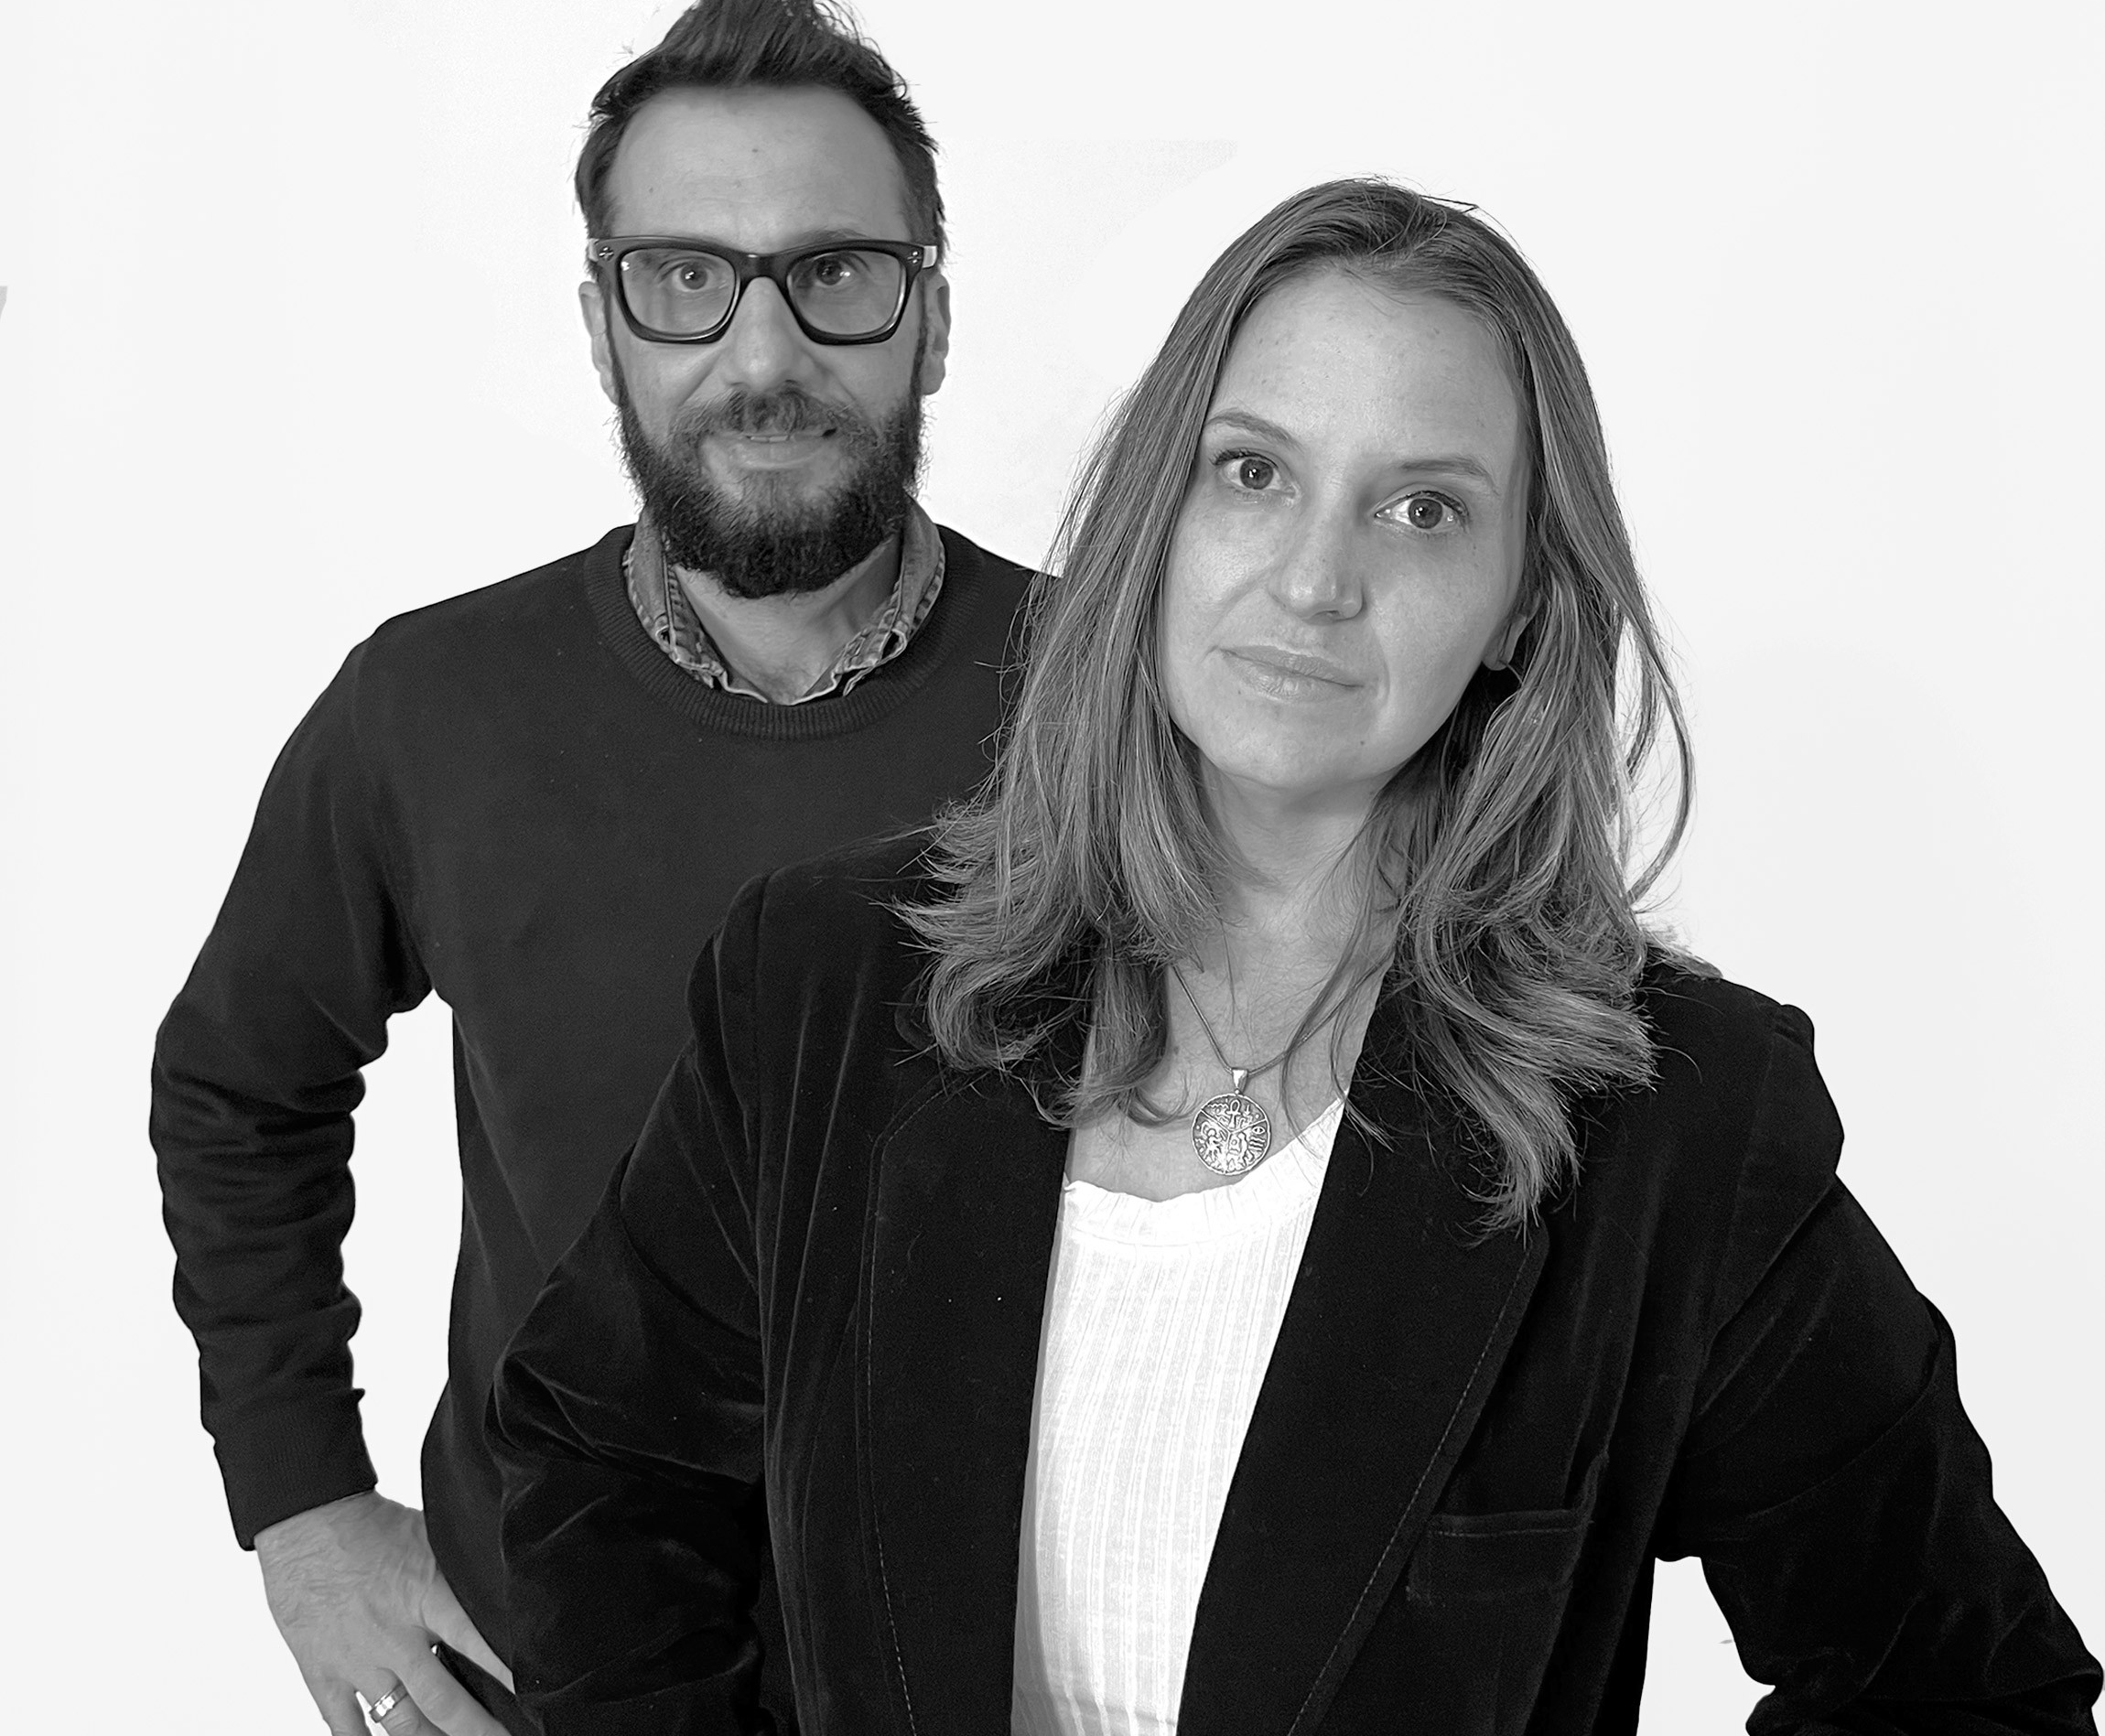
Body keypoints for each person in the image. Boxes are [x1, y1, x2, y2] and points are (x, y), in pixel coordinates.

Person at [488, 178, 2100, 1734]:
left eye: (1425, 510)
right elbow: (599, 1461)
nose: (1319, 581)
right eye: (1253, 472)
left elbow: (1969, 1696)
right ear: (1154, 519)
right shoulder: (824, 986)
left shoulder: (1679, 1124)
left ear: (1523, 608)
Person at [151, 0, 1035, 1736]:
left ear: (930, 319)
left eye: (836, 276)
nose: (762, 359)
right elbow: (238, 1085)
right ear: (601, 323)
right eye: (686, 282)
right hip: (544, 1669)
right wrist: (302, 1508)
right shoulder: (431, 707)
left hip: (1010, 1674)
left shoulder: (1117, 716)